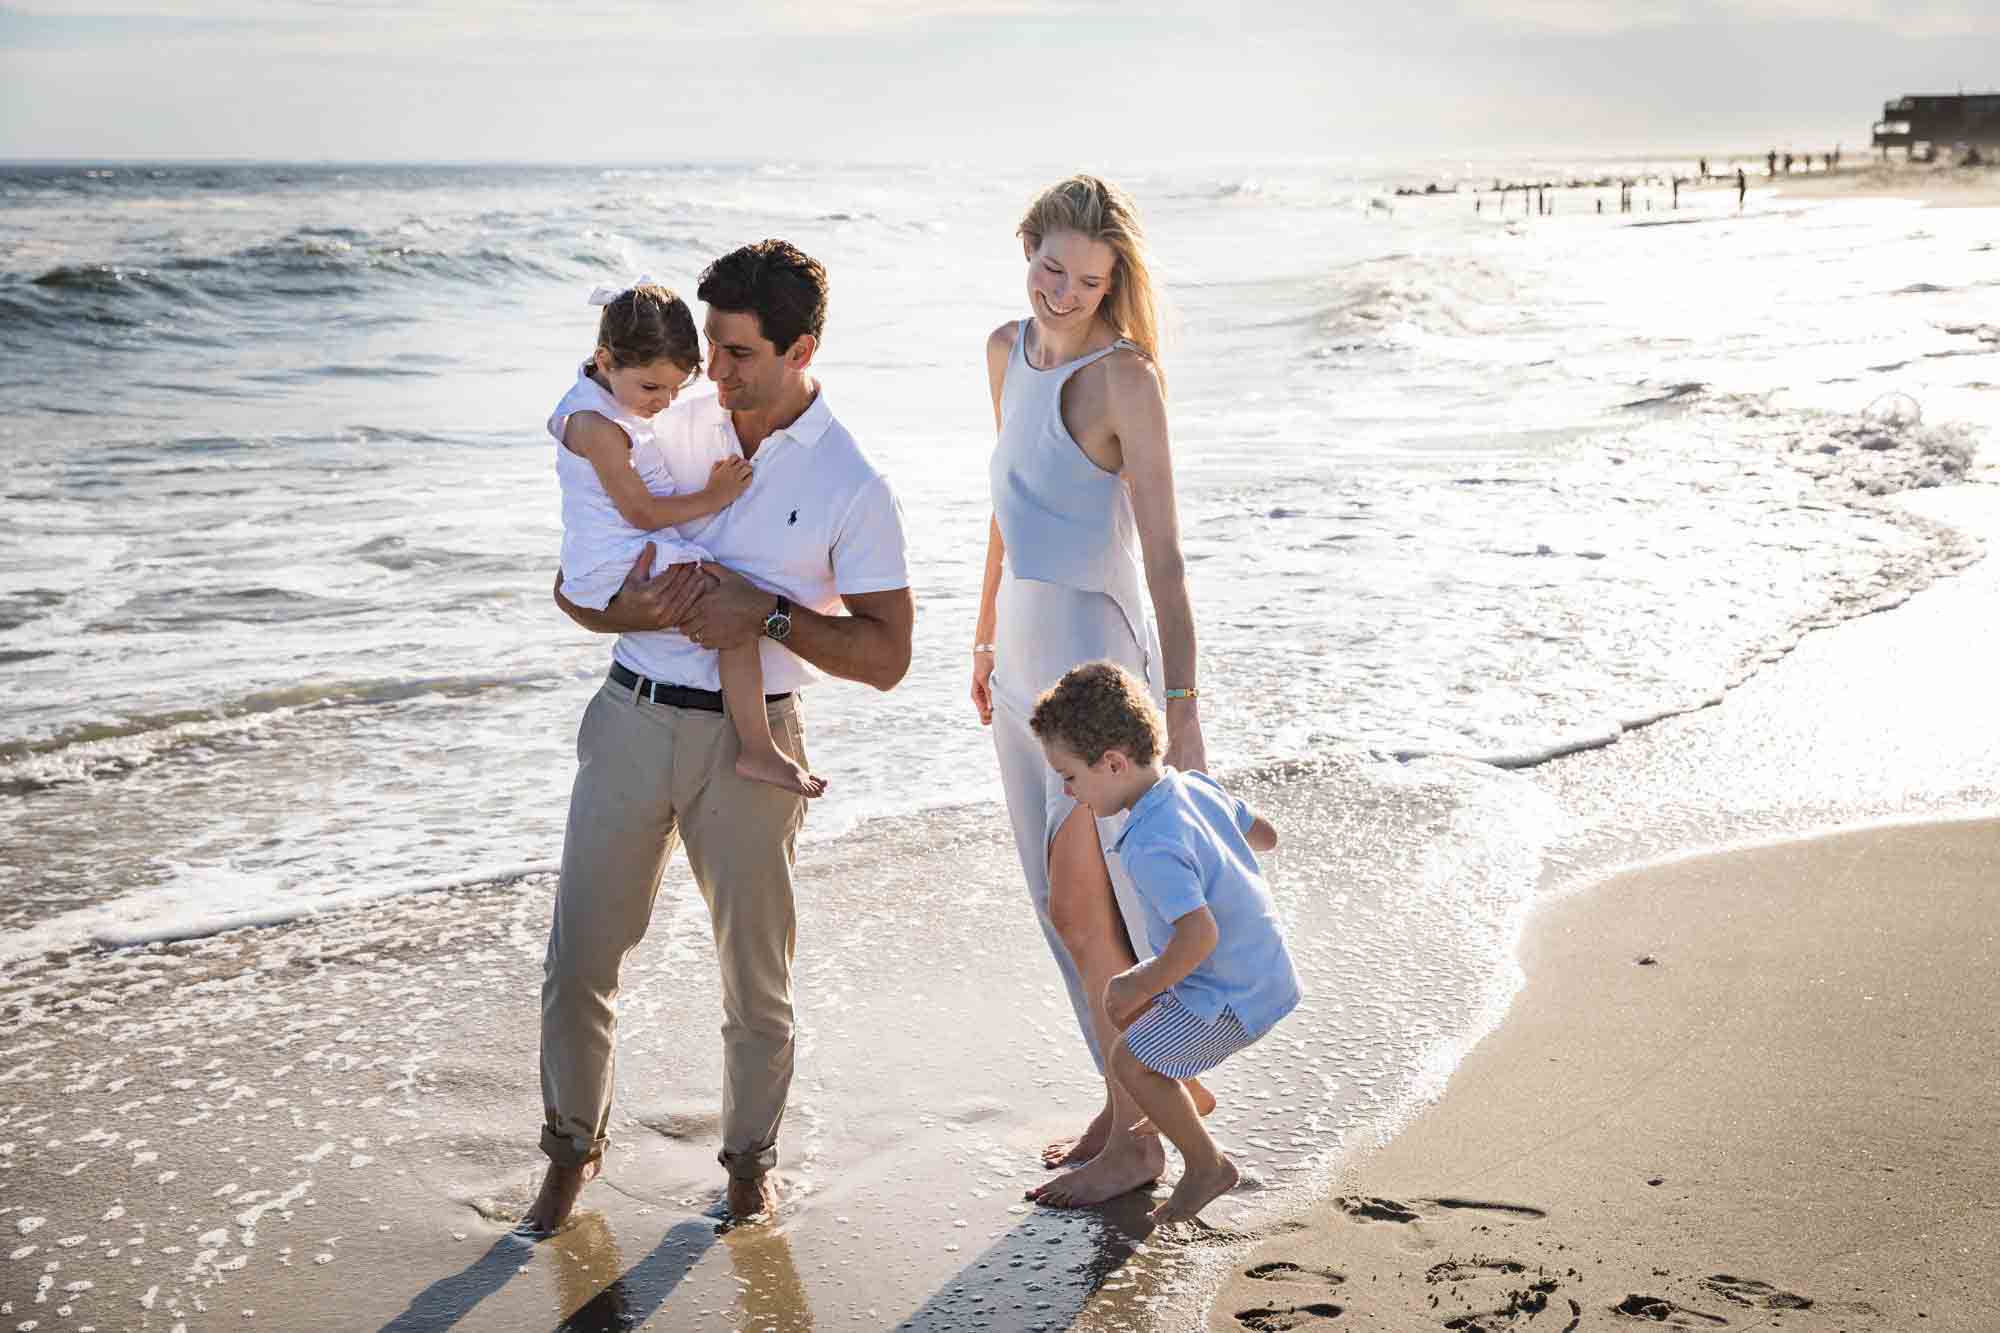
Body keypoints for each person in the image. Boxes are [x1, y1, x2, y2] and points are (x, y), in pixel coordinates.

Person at [525, 239, 914, 1234]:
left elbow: (885, 657)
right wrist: (629, 612)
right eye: (711, 348)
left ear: (800, 347)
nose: (716, 373)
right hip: (630, 716)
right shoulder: (664, 410)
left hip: (755, 740)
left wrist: (766, 615)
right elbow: (578, 587)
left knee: (756, 978)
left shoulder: (851, 482)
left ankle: (748, 1167)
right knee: (577, 962)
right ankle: (568, 1160)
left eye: (738, 353)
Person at [970, 174, 1210, 1209]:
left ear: (1115, 283)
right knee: (1054, 899)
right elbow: (1003, 501)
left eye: (1086, 278)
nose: (1060, 292)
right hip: (1023, 653)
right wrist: (981, 633)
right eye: (1048, 267)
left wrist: (1186, 708)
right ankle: (1133, 1105)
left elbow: (1164, 556)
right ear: (1025, 248)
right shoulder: (1001, 352)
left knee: (1091, 909)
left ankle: (1140, 1142)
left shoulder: (1127, 380)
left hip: (1099, 666)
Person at [1027, 661, 1297, 1228]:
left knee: (1130, 1057)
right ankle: (1186, 1098)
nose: (1068, 791)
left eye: (1070, 776)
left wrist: (1135, 981)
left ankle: (1207, 1165)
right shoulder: (1194, 787)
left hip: (1233, 994)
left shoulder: (1149, 843)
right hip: (1266, 968)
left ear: (1114, 763)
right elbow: (1266, 836)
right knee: (1145, 1026)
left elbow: (1200, 936)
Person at [551, 280, 823, 798]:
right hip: (617, 558)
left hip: (616, 552)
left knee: (733, 606)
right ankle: (759, 750)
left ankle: (752, 744)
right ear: (605, 361)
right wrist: (715, 495)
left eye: (678, 388)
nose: (666, 402)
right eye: (653, 389)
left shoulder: (605, 390)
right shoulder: (596, 426)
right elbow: (641, 511)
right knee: (735, 610)